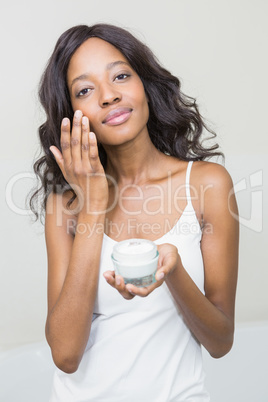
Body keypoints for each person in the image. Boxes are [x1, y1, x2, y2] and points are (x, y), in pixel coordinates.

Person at [30, 23, 239, 401]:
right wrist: (93, 206)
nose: (108, 96)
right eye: (85, 90)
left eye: (121, 76)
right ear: (71, 115)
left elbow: (221, 340)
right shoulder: (66, 205)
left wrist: (172, 272)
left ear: (145, 85)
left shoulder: (208, 185)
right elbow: (65, 354)